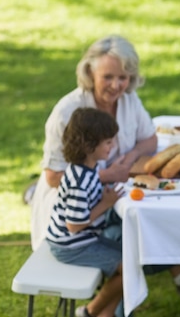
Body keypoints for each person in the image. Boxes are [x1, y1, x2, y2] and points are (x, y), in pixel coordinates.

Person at [30, 35, 180, 307]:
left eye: (123, 77)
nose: (116, 85)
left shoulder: (129, 100)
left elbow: (150, 139)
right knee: (138, 240)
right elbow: (53, 177)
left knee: (160, 215)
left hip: (112, 192)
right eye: (108, 77)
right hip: (74, 208)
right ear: (90, 73)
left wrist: (130, 157)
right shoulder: (68, 111)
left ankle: (176, 276)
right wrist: (108, 175)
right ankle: (150, 287)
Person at [46, 107, 125, 317]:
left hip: (83, 240)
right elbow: (74, 225)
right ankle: (89, 312)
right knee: (128, 271)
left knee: (131, 260)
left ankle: (105, 314)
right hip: (72, 247)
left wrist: (103, 196)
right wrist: (106, 203)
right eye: (107, 142)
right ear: (89, 146)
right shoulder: (79, 181)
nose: (112, 146)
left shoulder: (87, 170)